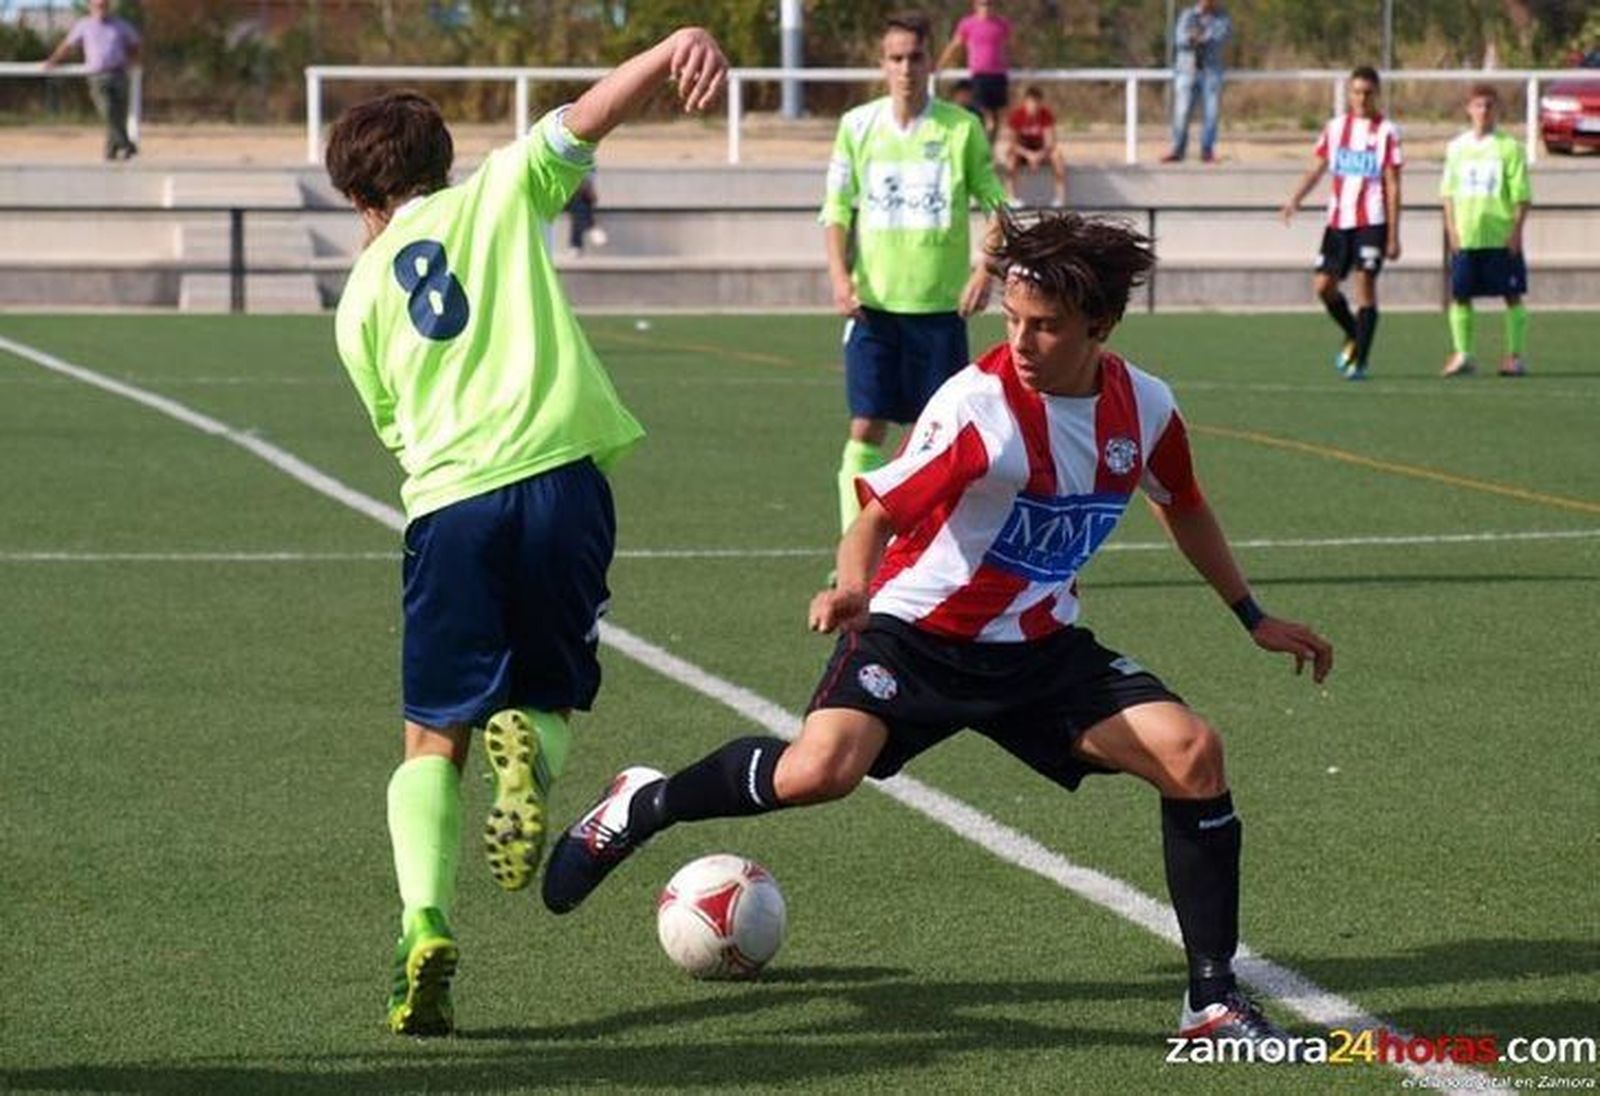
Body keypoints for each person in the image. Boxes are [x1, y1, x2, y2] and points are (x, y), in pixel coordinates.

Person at [539, 210, 1334, 1052]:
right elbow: (875, 516)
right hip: (916, 637)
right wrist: (851, 589)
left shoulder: (1145, 407)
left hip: (1038, 652)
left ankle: (1210, 1002)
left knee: (1193, 754)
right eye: (1011, 318)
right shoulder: (978, 405)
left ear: (1100, 325)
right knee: (819, 772)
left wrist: (1252, 615)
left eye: (1046, 326)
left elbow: (1185, 504)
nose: (1021, 340)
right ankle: (645, 802)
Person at [325, 26, 728, 1038]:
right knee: (545, 696)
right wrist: (675, 42)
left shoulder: (358, 299)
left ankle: (424, 922)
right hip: (562, 480)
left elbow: (395, 429)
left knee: (430, 735)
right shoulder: (503, 192)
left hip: (453, 501)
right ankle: (533, 751)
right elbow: (594, 111)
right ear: (441, 164)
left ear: (360, 198)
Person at [821, 10, 1008, 538]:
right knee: (865, 426)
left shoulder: (961, 128)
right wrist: (839, 277)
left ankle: (931, 547)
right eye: (896, 58)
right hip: (874, 307)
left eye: (916, 57)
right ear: (882, 64)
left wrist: (984, 268)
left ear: (932, 61)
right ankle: (854, 549)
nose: (906, 68)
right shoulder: (856, 127)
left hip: (940, 310)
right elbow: (835, 210)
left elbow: (999, 206)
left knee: (943, 435)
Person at [1280, 66, 1403, 381]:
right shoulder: (1335, 129)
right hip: (1338, 222)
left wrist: (1393, 233)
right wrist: (1295, 198)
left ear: (1376, 94)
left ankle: (1360, 360)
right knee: (1323, 287)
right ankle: (1354, 333)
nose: (1362, 98)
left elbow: (1393, 183)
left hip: (1371, 221)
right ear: (1349, 93)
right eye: (1356, 92)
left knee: (1365, 285)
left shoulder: (1386, 131)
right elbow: (1316, 168)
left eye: (1367, 92)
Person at [1439, 84, 1531, 378]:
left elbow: (1522, 196)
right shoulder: (1456, 148)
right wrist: (1451, 229)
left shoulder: (1510, 148)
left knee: (1511, 294)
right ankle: (1463, 354)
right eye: (1478, 105)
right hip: (1467, 235)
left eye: (1490, 105)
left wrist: (1516, 231)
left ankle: (1514, 356)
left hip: (1499, 235)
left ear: (1497, 110)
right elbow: (1447, 193)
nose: (1484, 111)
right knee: (1461, 295)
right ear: (1469, 109)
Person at [41, 0, 141, 161]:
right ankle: (127, 144)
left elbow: (135, 43)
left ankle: (112, 152)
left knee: (119, 114)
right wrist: (53, 60)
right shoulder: (84, 25)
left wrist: (133, 61)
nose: (101, 9)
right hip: (97, 77)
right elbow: (68, 45)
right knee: (108, 111)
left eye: (104, 5)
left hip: (119, 74)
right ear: (91, 7)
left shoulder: (121, 25)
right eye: (98, 5)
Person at [1162, 0, 1231, 164]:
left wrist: (1202, 37)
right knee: (1182, 111)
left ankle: (1207, 151)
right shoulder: (1188, 15)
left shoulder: (1222, 17)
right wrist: (1192, 38)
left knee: (1211, 113)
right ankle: (1177, 150)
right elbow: (1179, 39)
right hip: (1187, 71)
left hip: (1211, 72)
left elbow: (1221, 37)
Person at [936, 0, 1013, 143]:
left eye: (990, 3)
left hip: (998, 74)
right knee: (984, 114)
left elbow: (1010, 46)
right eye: (983, 4)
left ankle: (989, 150)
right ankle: (979, 145)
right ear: (975, 5)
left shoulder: (1001, 24)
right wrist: (940, 64)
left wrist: (1015, 64)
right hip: (980, 74)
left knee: (996, 118)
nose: (986, 7)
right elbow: (955, 45)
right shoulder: (968, 24)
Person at [1002, 85, 1068, 207]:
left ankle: (1060, 198)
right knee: (1010, 159)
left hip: (1041, 150)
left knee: (1057, 156)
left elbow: (1050, 142)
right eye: (1031, 103)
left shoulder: (1046, 115)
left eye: (1036, 103)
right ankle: (1011, 197)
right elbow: (1013, 143)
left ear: (1040, 103)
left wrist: (1039, 155)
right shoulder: (1017, 115)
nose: (1033, 106)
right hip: (1022, 151)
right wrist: (1028, 155)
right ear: (1025, 102)